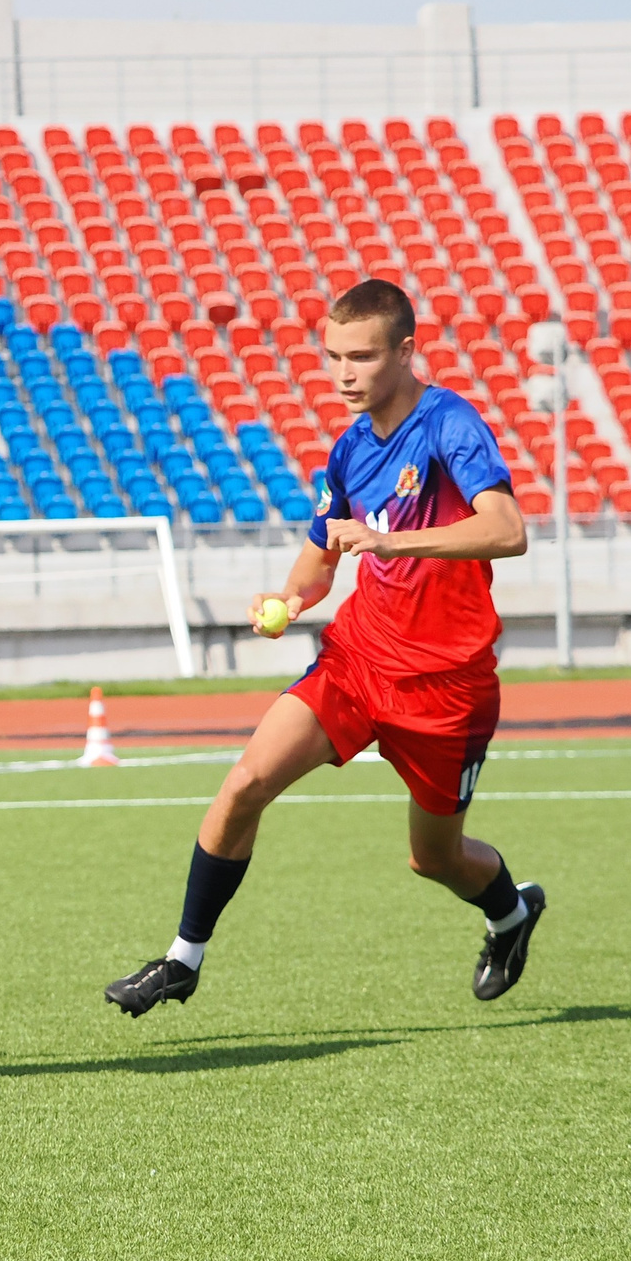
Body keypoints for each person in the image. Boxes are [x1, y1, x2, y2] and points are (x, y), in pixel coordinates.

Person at [104, 278, 548, 1018]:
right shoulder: (349, 449)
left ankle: (511, 913)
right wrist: (287, 599)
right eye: (334, 356)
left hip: (447, 686)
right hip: (358, 661)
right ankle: (183, 959)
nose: (344, 373)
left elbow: (507, 530)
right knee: (245, 783)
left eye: (362, 356)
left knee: (433, 859)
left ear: (405, 352)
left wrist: (390, 540)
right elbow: (321, 557)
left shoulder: (449, 424)